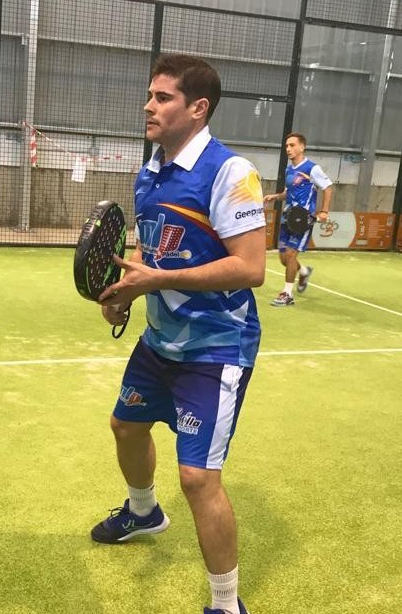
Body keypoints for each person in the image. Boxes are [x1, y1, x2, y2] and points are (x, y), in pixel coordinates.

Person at [92, 54, 265, 614]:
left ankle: (226, 603)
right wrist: (126, 293)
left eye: (162, 98)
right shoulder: (151, 170)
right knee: (125, 427)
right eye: (150, 95)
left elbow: (250, 268)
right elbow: (151, 249)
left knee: (197, 478)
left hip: (217, 347)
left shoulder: (231, 172)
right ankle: (144, 512)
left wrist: (157, 280)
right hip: (159, 341)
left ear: (198, 108)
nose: (148, 106)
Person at [264, 132, 333, 306]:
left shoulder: (312, 169)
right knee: (284, 258)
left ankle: (287, 294)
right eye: (287, 146)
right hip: (287, 217)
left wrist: (324, 211)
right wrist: (276, 197)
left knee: (290, 254)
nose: (288, 149)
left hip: (303, 220)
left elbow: (328, 187)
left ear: (302, 147)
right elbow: (288, 193)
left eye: (292, 145)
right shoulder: (289, 169)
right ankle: (303, 271)